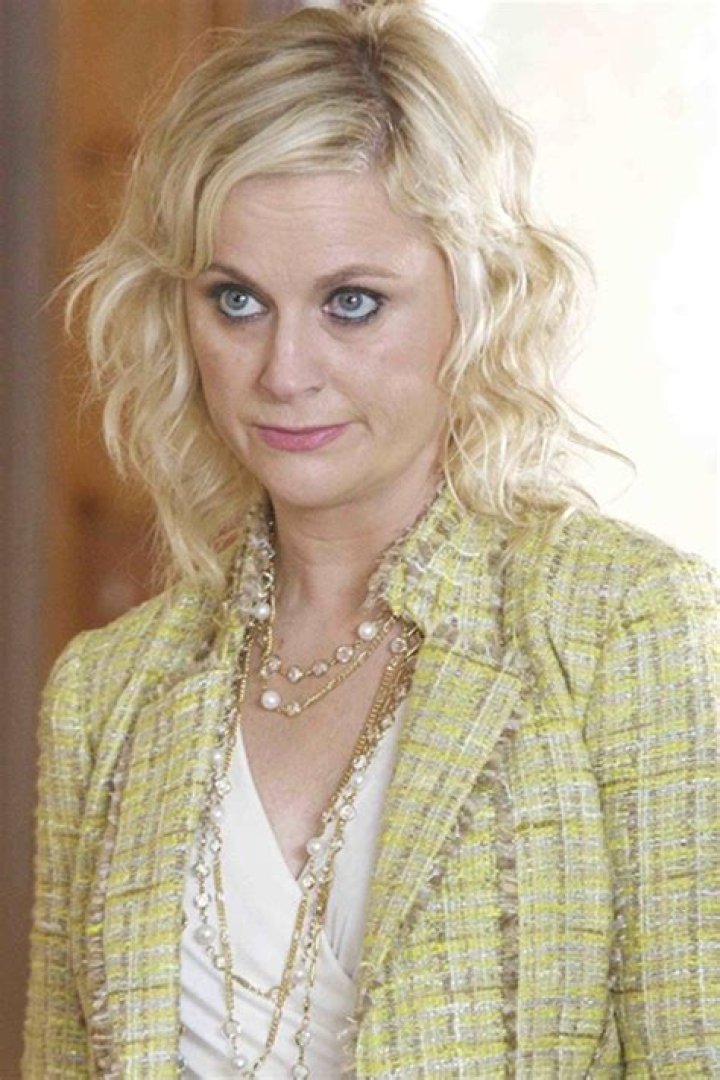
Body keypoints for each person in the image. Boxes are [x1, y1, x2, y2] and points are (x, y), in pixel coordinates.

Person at [23, 3, 718, 1078]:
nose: (284, 370)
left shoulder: (624, 628)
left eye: (352, 302)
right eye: (237, 300)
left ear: (474, 300)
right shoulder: (106, 696)